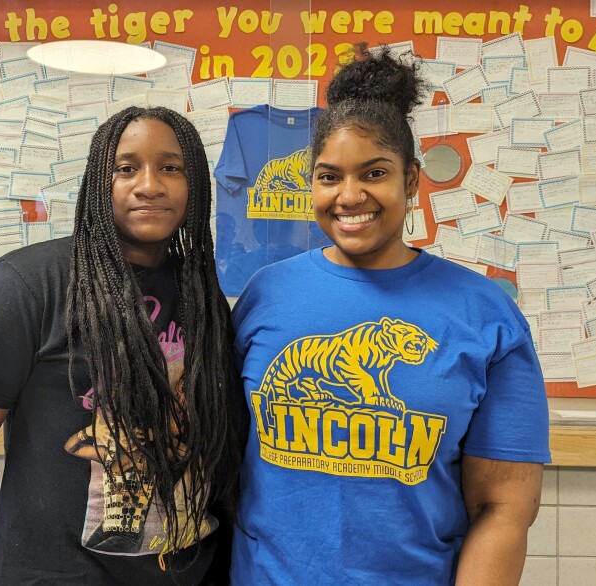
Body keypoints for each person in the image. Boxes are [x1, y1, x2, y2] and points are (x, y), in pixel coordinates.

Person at [230, 44, 550, 585]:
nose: (349, 196)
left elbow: (504, 509)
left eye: (373, 173)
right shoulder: (267, 294)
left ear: (410, 181)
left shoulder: (485, 314)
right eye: (329, 176)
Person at [0, 106, 244, 585]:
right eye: (126, 167)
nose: (150, 184)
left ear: (194, 182)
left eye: (171, 167)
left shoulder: (202, 295)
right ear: (100, 181)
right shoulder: (29, 284)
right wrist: (10, 561)